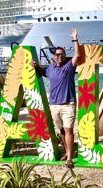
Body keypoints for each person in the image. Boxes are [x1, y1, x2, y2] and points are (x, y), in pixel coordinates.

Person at [32, 28, 82, 168]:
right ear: (53, 56)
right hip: (54, 104)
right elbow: (43, 73)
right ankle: (67, 151)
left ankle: (70, 158)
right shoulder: (51, 68)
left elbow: (77, 55)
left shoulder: (69, 66)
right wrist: (36, 67)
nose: (59, 56)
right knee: (60, 130)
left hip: (68, 104)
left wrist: (75, 39)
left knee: (68, 130)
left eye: (61, 54)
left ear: (65, 55)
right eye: (57, 54)